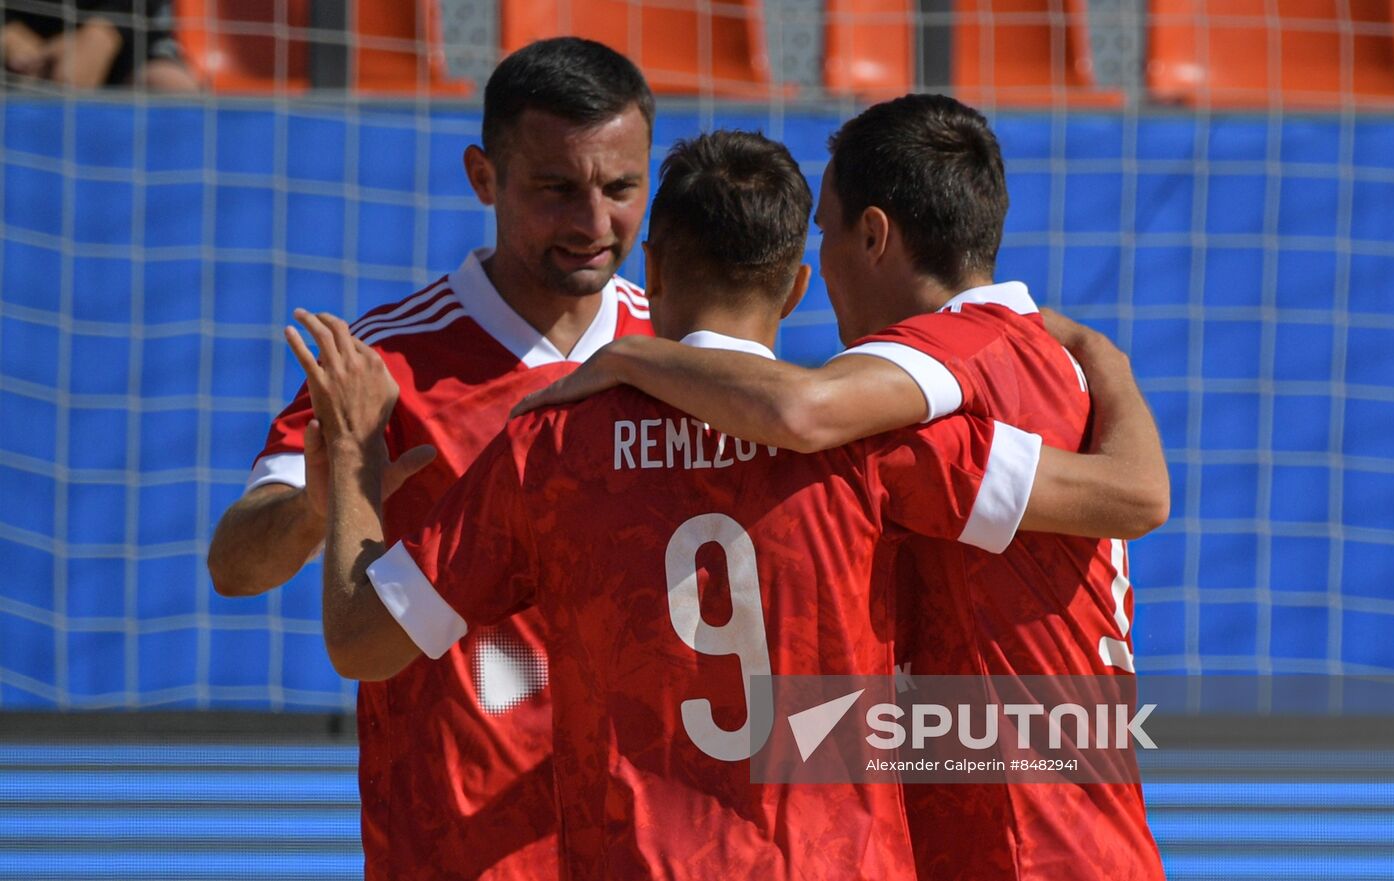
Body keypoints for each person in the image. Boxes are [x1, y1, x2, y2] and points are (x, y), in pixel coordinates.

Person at [291, 131, 1168, 879]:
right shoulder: (871, 443)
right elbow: (1123, 497)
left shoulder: (549, 446)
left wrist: (356, 469)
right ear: (796, 286)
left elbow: (362, 641)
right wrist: (1102, 368)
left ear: (652, 268)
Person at [206, 37, 654, 881]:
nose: (595, 224)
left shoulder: (682, 349)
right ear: (484, 177)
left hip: (652, 843)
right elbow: (234, 564)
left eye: (621, 188)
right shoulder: (383, 364)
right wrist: (322, 503)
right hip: (455, 849)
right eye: (557, 189)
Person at [2, 0, 198, 91]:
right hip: (14, 33)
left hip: (122, 30)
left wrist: (104, 31)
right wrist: (8, 34)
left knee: (173, 87)